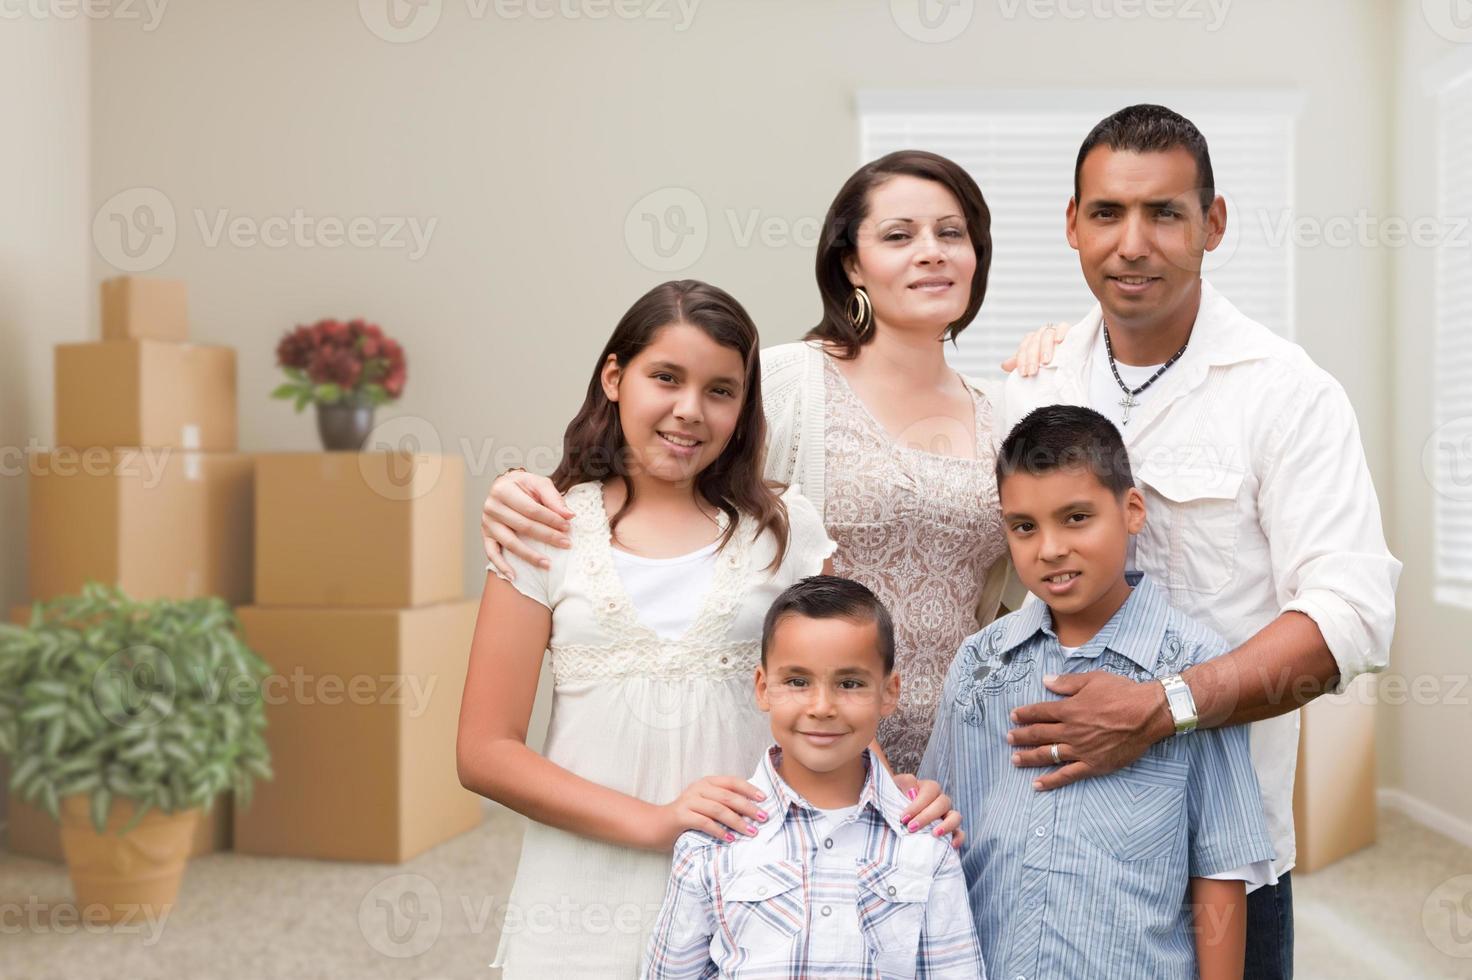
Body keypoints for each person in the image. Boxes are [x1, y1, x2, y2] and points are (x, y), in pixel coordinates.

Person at [996, 104, 1402, 978]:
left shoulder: (1287, 394)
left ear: (1212, 224)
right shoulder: (1029, 385)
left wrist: (1163, 708)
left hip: (1222, 851)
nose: (1132, 243)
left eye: (1165, 213)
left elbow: (1352, 619)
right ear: (1072, 225)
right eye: (1106, 213)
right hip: (1051, 835)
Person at [456, 280, 957, 977]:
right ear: (614, 377)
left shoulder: (785, 530)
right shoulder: (545, 529)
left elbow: (838, 694)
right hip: (579, 899)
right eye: (665, 377)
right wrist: (656, 820)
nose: (689, 410)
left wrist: (899, 795)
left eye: (721, 391)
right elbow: (484, 750)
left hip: (753, 893)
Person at [482, 150, 1022, 777]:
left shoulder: (1005, 412)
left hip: (961, 748)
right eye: (899, 235)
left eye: (950, 233)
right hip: (801, 751)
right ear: (852, 263)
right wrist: (516, 486)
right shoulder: (787, 381)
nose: (931, 251)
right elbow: (662, 467)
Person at [924, 405, 1275, 980]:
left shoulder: (1195, 668)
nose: (1051, 548)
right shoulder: (979, 664)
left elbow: (1221, 864)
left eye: (1077, 517)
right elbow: (939, 838)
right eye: (1025, 527)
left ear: (1131, 511)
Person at [643, 576, 985, 978]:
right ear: (763, 687)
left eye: (850, 683)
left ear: (889, 692)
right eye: (798, 682)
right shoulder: (711, 843)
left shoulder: (925, 844)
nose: (822, 706)